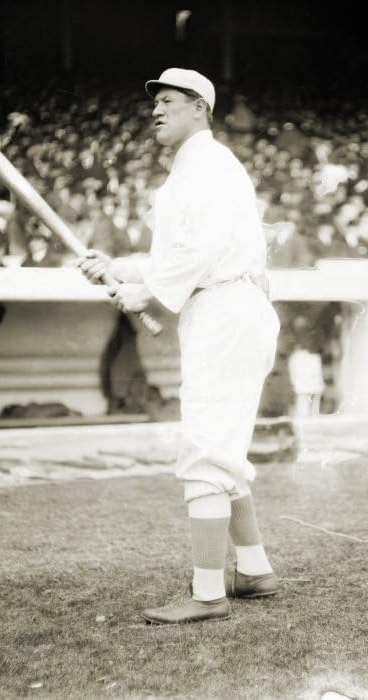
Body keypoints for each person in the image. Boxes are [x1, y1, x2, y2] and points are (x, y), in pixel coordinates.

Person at [77, 68, 280, 625]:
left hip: (226, 307)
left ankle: (208, 592)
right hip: (227, 306)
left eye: (168, 101)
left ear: (199, 108)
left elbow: (201, 252)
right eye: (155, 103)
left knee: (205, 446)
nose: (156, 111)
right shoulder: (194, 166)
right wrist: (117, 266)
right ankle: (254, 569)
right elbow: (180, 255)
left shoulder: (207, 163)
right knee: (222, 446)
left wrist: (146, 292)